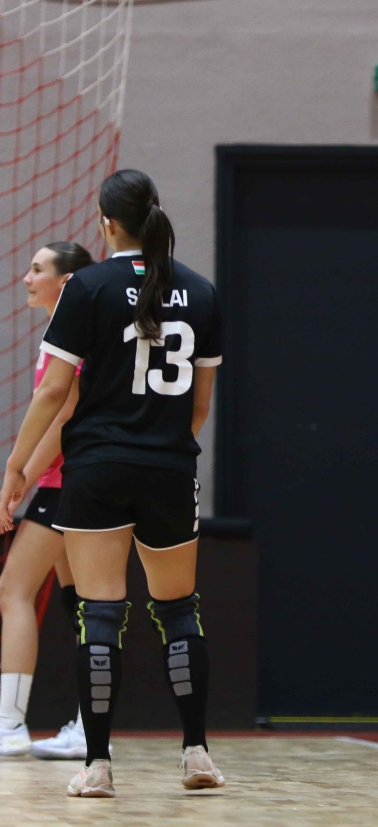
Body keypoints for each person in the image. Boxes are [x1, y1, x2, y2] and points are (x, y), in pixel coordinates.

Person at [0, 170, 225, 797]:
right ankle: (197, 754)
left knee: (99, 613)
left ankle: (96, 765)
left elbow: (53, 392)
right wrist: (160, 445)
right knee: (178, 611)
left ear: (107, 223)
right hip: (170, 469)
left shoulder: (88, 286)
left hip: (96, 468)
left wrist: (15, 467)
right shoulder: (201, 291)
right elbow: (200, 406)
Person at [0, 242, 93, 759]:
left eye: (37, 269)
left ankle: (9, 726)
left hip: (65, 483)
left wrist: (21, 477)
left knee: (13, 588)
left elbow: (63, 416)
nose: (26, 278)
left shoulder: (74, 333)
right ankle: (86, 728)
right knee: (82, 604)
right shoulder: (64, 331)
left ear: (66, 281)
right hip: (73, 483)